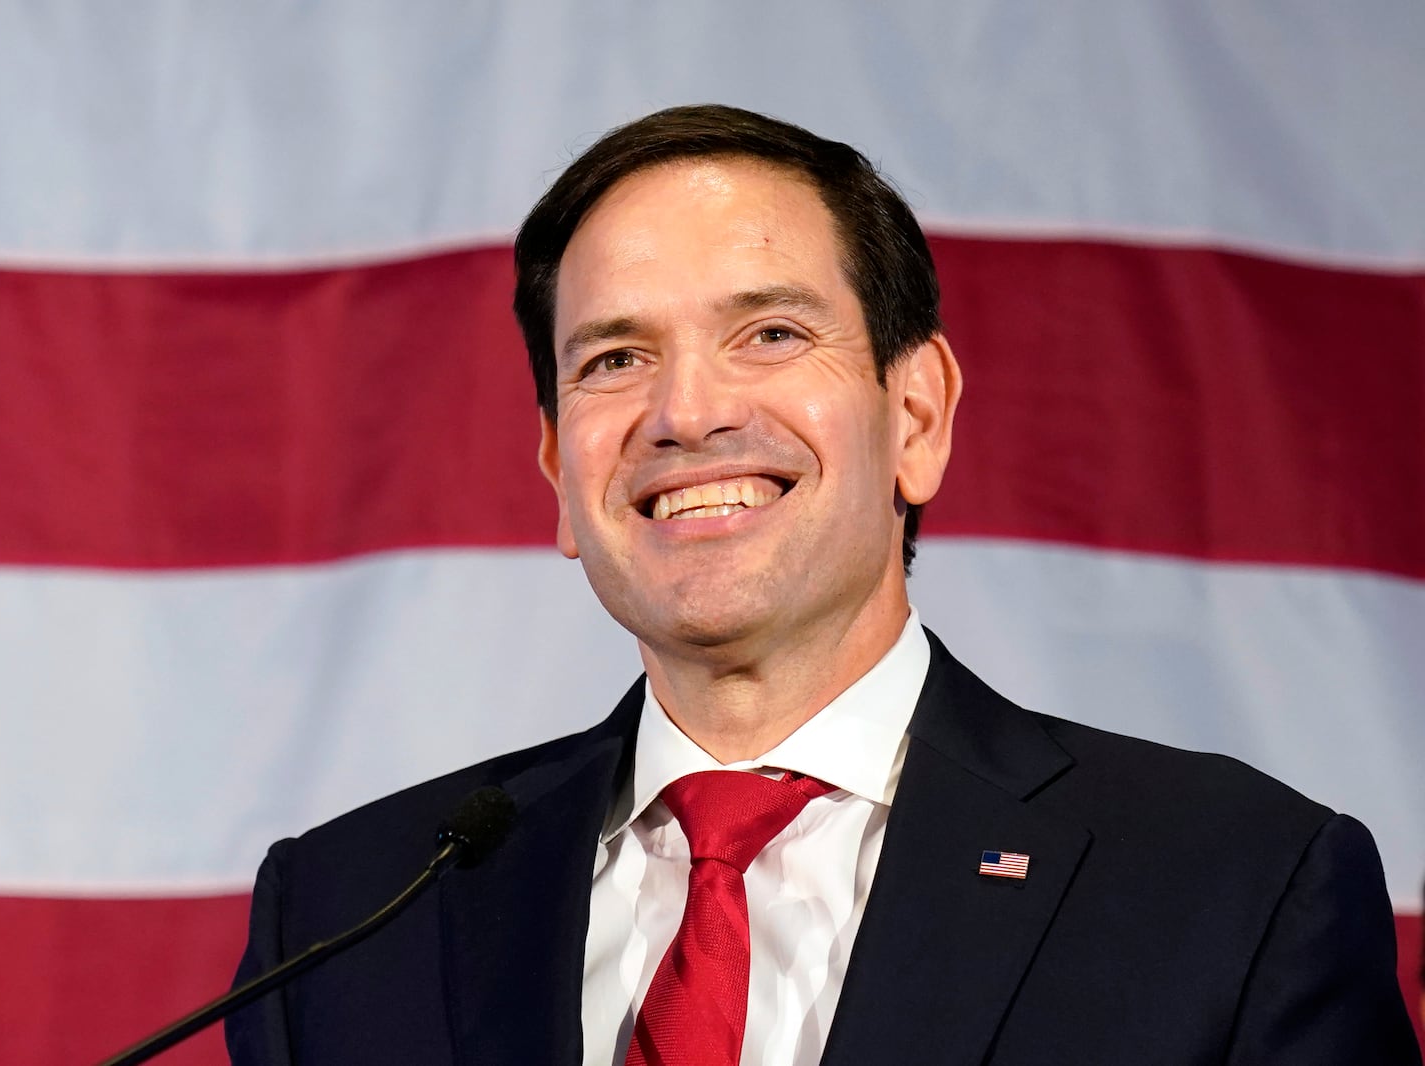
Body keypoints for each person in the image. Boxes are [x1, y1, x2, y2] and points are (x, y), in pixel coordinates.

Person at [225, 105, 1419, 1065]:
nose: (686, 413)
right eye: (616, 358)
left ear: (917, 415)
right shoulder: (343, 916)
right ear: (555, 471)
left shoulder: (1236, 886)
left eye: (772, 335)